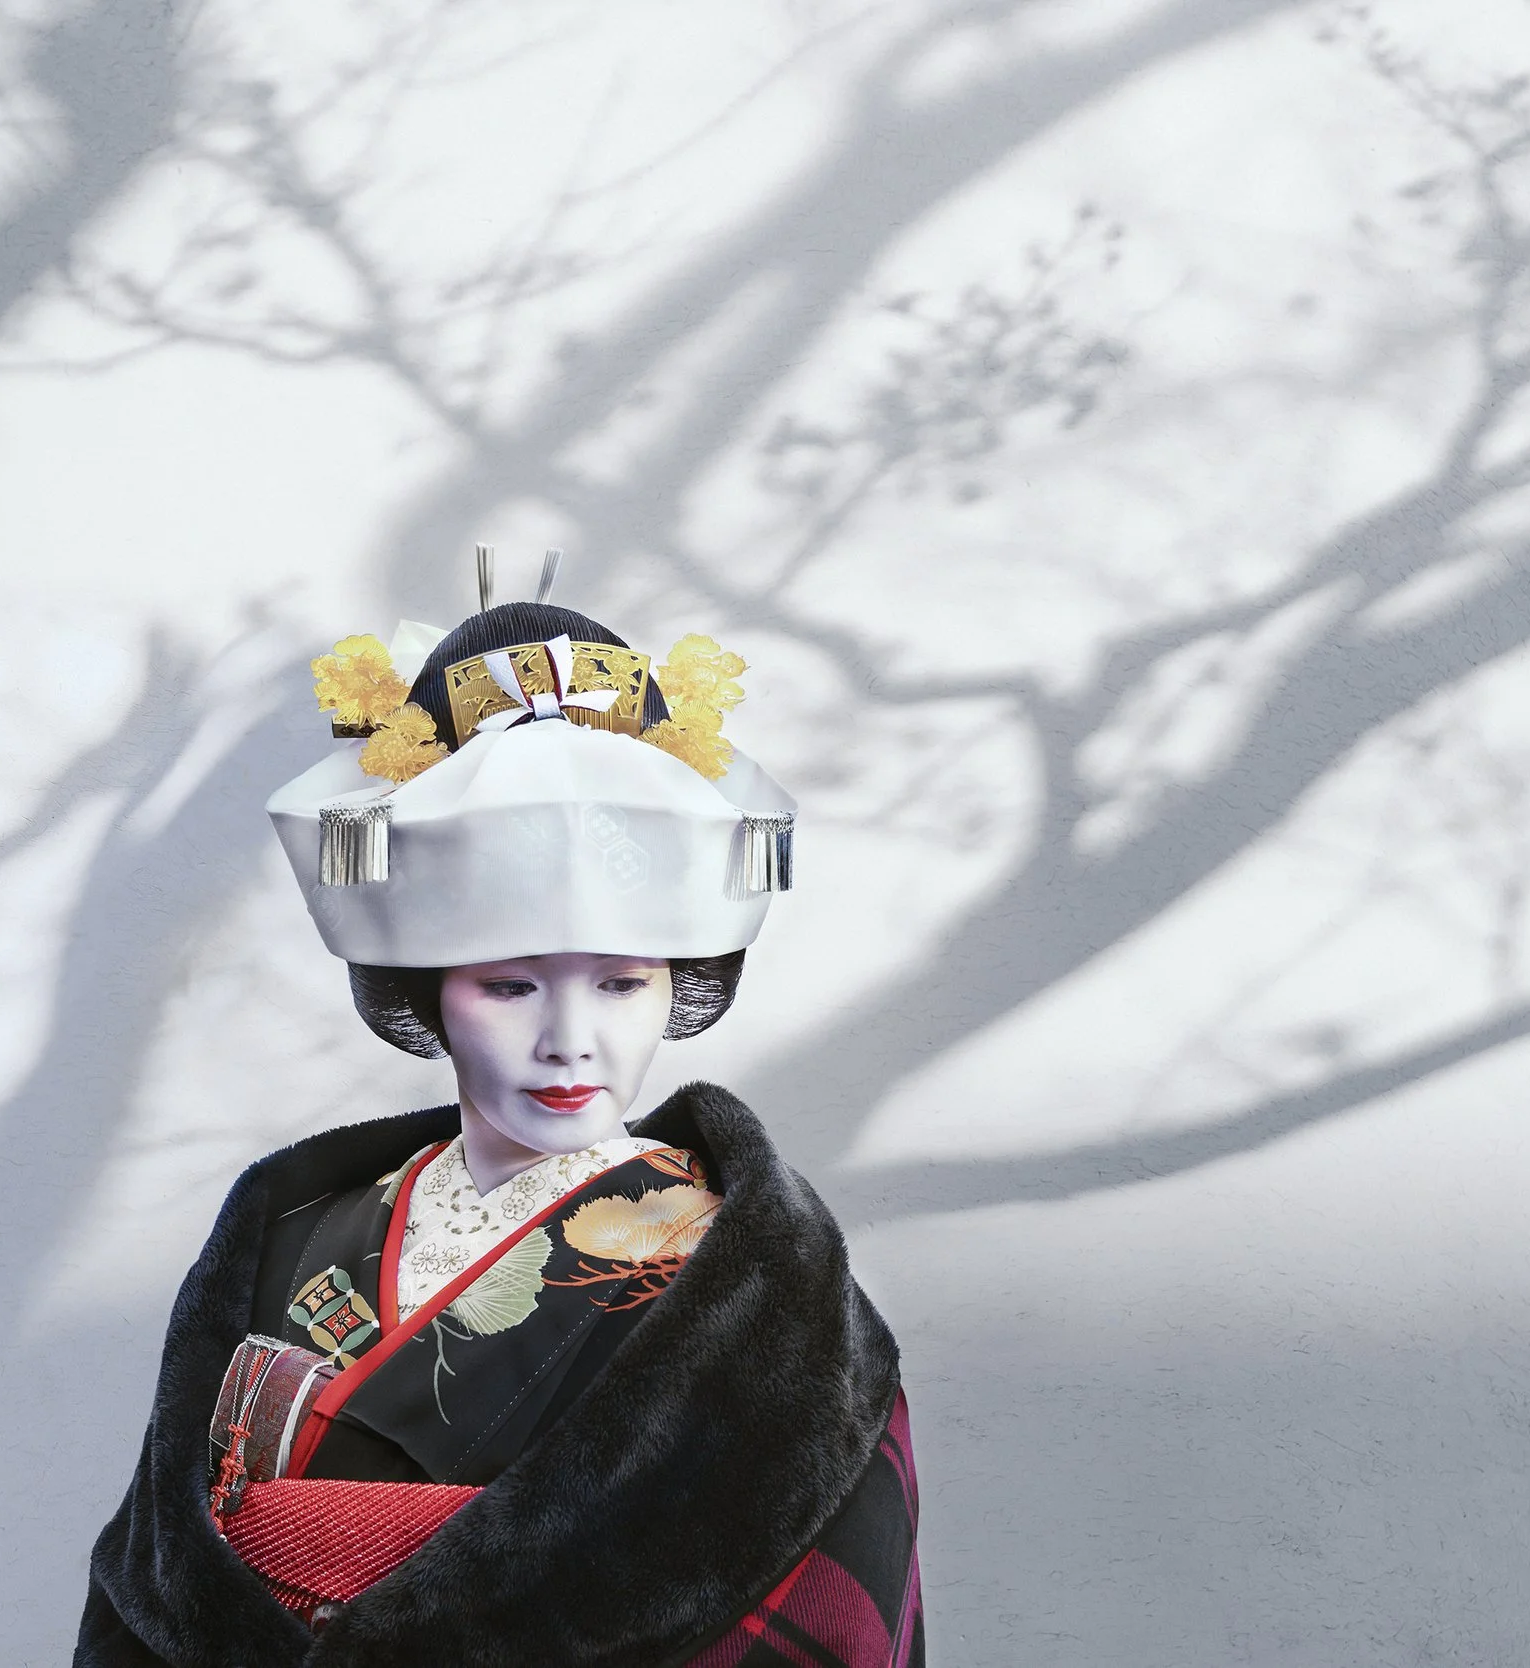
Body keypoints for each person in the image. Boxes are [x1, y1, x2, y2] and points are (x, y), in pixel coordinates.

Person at [77, 577, 921, 1667]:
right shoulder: (292, 1228)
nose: (571, 1042)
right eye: (509, 988)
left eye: (621, 985)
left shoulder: (769, 1294)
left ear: (681, 983)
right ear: (427, 990)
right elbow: (154, 1574)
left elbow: (830, 1619)